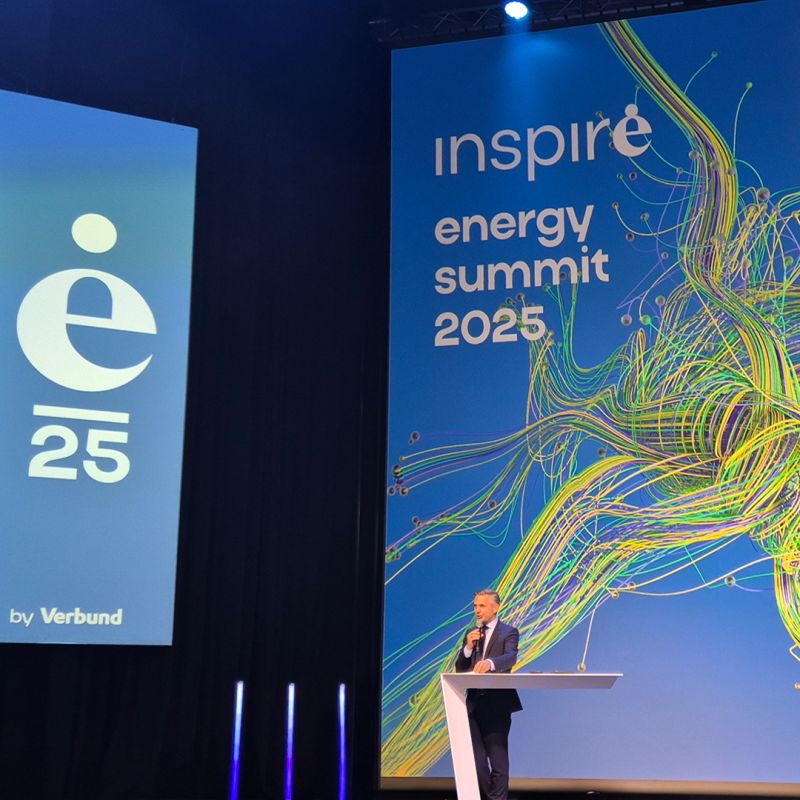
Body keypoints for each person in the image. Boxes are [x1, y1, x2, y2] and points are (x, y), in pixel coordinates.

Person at [455, 589, 522, 800]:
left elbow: (510, 658)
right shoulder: (472, 634)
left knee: (498, 761)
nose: (477, 610)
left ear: (495, 608)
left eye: (482, 606)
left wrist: (490, 663)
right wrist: (467, 647)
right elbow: (460, 668)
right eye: (475, 606)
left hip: (497, 704)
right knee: (476, 762)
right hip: (474, 704)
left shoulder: (509, 632)